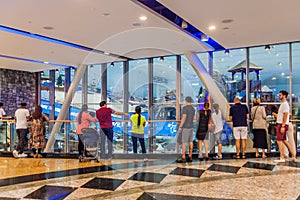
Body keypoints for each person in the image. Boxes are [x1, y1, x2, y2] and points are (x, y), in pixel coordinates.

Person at [272, 90, 297, 162]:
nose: (279, 96)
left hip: (282, 124)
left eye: (280, 95)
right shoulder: (283, 104)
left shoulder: (285, 104)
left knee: (279, 140)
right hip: (282, 123)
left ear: (284, 96)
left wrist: (282, 126)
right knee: (284, 140)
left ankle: (282, 157)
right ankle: (293, 154)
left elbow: (285, 115)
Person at [176, 96, 195, 163]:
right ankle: (190, 156)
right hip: (191, 126)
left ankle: (183, 157)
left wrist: (180, 126)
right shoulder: (193, 109)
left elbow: (184, 117)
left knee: (184, 142)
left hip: (186, 127)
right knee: (190, 141)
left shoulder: (185, 108)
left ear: (186, 101)